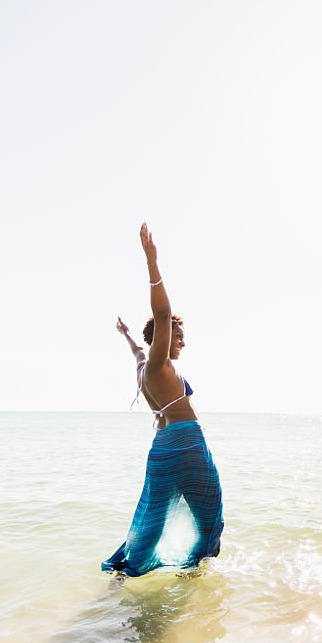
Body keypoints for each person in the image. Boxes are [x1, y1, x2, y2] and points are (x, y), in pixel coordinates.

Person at [101, 223, 224, 577]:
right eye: (177, 336)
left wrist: (126, 335)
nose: (182, 342)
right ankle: (195, 573)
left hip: (162, 446)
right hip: (186, 441)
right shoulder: (159, 363)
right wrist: (152, 263)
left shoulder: (144, 366)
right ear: (164, 337)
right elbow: (161, 314)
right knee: (210, 512)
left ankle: (128, 569)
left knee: (152, 514)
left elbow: (137, 349)